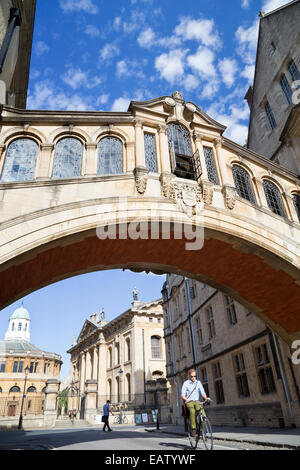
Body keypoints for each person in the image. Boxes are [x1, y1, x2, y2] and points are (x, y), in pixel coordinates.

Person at [181, 369, 210, 437]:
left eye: (195, 376)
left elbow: (202, 392)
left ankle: (202, 430)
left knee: (202, 413)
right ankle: (193, 428)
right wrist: (186, 399)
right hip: (189, 401)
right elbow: (182, 395)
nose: (193, 378)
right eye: (192, 376)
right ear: (189, 376)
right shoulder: (186, 383)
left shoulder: (198, 383)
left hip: (196, 401)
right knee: (192, 411)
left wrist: (206, 398)